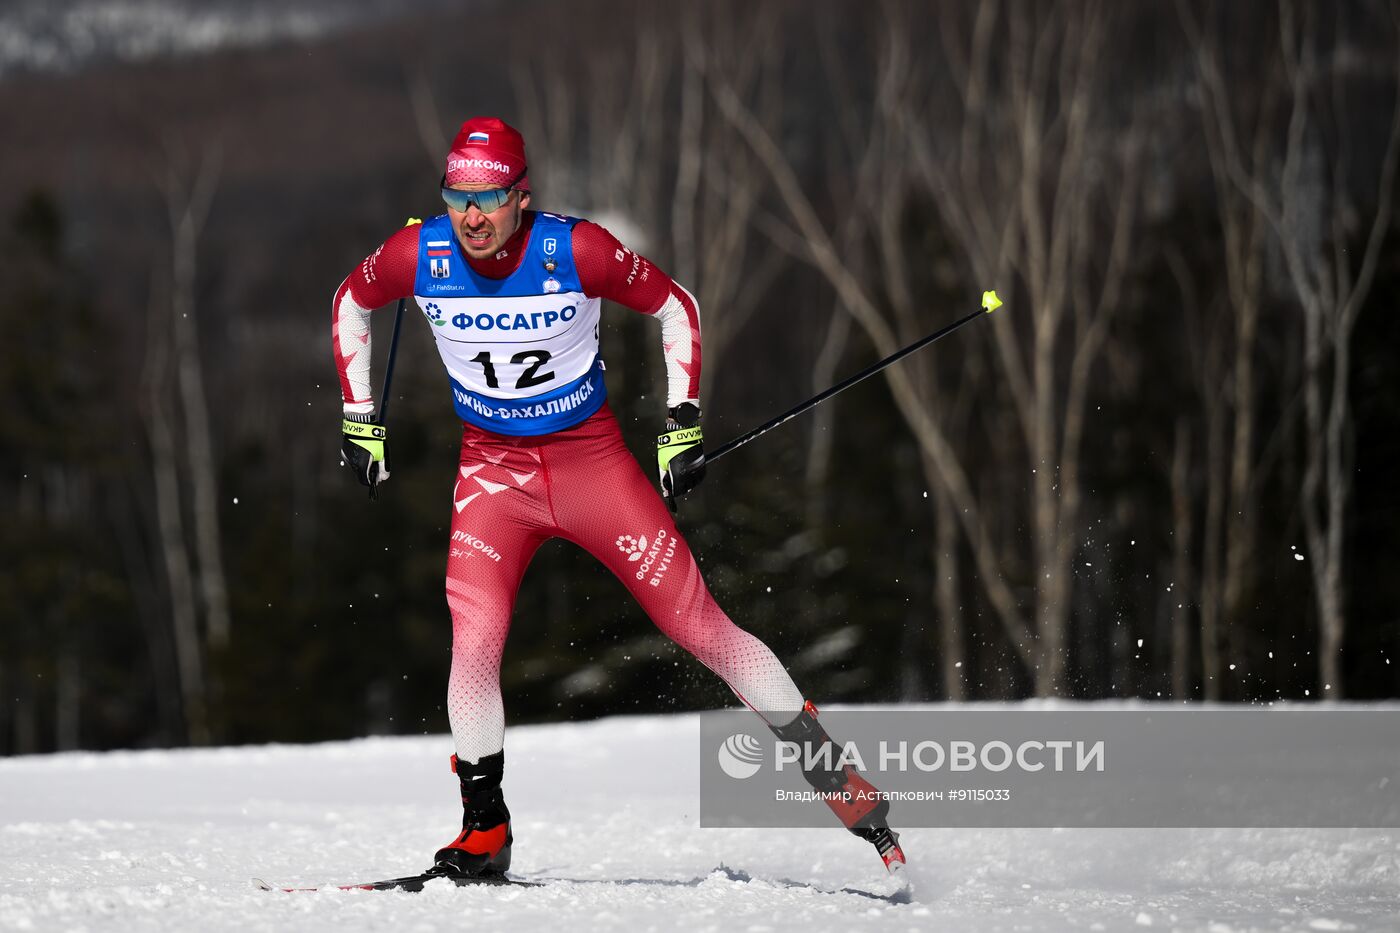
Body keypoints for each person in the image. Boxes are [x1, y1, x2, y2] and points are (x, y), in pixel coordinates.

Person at [331, 116, 905, 879]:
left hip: (590, 467)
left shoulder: (576, 248)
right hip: (493, 477)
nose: (472, 216)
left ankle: (842, 787)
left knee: (701, 627)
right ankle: (483, 830)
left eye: (490, 197)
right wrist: (360, 416)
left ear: (521, 197)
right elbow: (350, 300)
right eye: (458, 197)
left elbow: (679, 308)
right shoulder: (420, 251)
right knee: (473, 643)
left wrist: (681, 423)